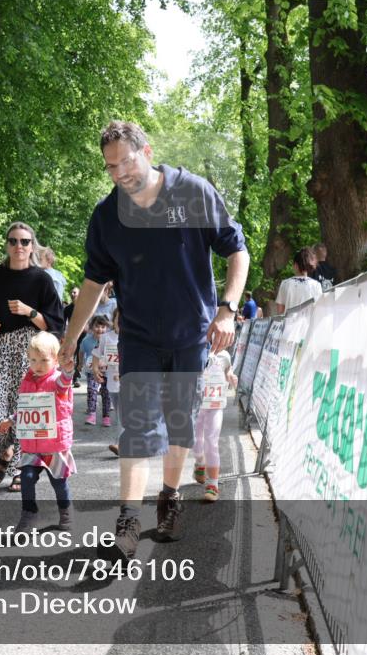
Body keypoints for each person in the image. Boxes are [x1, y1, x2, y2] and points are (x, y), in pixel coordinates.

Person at [60, 120, 249, 562]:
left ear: (146, 150)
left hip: (193, 334)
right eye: (110, 167)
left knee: (180, 422)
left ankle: (169, 497)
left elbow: (236, 250)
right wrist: (71, 339)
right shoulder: (108, 215)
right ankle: (127, 519)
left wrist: (228, 309)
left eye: (125, 161)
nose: (120, 173)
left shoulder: (192, 191)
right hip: (140, 335)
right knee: (138, 425)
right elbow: (93, 283)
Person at [0, 222, 64, 492]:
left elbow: (55, 323)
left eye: (24, 242)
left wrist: (29, 312)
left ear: (32, 245)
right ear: (7, 244)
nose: (19, 246)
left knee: (25, 409)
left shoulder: (41, 279)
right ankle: (5, 451)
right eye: (13, 241)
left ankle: (20, 469)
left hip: (30, 349)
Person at [0, 332, 76, 532]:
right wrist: (12, 420)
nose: (37, 365)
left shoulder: (57, 380)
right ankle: (28, 514)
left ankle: (66, 511)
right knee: (27, 478)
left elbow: (64, 383)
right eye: (32, 360)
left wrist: (67, 371)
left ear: (56, 360)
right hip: (32, 444)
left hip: (54, 443)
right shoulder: (28, 380)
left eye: (44, 360)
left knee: (59, 483)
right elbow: (26, 408)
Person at [192, 349, 238, 502]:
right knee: (196, 442)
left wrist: (231, 377)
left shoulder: (224, 355)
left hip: (216, 405)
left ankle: (213, 485)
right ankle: (199, 464)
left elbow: (228, 371)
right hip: (196, 406)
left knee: (211, 442)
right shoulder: (194, 347)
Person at [90, 308, 123, 456]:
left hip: (130, 381)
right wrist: (96, 369)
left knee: (124, 413)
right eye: (119, 319)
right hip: (112, 383)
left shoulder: (134, 339)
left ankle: (121, 444)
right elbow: (96, 353)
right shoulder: (106, 337)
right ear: (114, 320)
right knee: (119, 412)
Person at [275, 247, 323, 315]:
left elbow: (280, 311)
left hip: (289, 324)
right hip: (309, 324)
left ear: (296, 265)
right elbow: (319, 310)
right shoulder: (316, 285)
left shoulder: (285, 283)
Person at [83, 315, 112, 426]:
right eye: (97, 326)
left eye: (103, 326)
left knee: (106, 392)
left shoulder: (109, 340)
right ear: (92, 327)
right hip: (91, 371)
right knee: (91, 389)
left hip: (106, 371)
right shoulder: (86, 340)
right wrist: (80, 364)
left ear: (107, 328)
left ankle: (106, 416)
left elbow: (114, 355)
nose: (100, 329)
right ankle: (91, 414)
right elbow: (82, 352)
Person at [62, 286, 83, 387]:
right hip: (72, 335)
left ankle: (77, 377)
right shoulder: (67, 309)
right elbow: (63, 322)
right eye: (72, 292)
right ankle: (70, 377)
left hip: (83, 335)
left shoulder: (83, 307)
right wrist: (63, 335)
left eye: (75, 292)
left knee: (80, 356)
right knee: (72, 356)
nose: (73, 294)